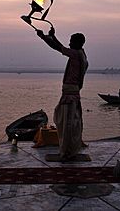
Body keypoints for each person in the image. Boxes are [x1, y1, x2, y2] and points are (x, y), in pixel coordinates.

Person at [36, 26, 88, 162]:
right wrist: (52, 37)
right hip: (71, 94)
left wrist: (43, 37)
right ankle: (68, 150)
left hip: (70, 96)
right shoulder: (80, 54)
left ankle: (68, 152)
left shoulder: (76, 54)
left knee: (67, 126)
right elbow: (62, 48)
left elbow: (58, 49)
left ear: (78, 43)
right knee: (67, 124)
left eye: (71, 42)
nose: (69, 44)